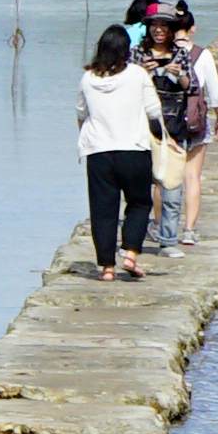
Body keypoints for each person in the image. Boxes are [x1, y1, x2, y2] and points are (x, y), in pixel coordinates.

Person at [73, 24, 164, 280]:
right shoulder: (136, 75)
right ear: (126, 50)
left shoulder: (88, 79)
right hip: (133, 148)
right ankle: (131, 254)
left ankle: (107, 268)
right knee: (139, 202)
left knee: (103, 208)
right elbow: (154, 111)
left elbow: (81, 114)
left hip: (99, 151)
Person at [144, 0, 212, 249]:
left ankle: (168, 237)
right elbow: (128, 87)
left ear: (172, 29)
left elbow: (193, 87)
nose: (159, 30)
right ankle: (158, 228)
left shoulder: (181, 55)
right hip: (146, 125)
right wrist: (143, 72)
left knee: (172, 181)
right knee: (152, 181)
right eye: (154, 25)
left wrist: (179, 75)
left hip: (174, 124)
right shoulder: (137, 53)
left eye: (164, 25)